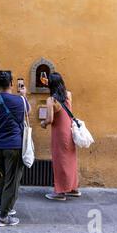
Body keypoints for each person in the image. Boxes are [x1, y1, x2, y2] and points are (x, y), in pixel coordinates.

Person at [0, 71, 29, 227]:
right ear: (12, 83)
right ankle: (3, 216)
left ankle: (2, 206)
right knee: (12, 180)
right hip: (14, 146)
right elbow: (26, 113)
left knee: (2, 178)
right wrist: (24, 94)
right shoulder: (20, 101)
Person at [40, 72, 81, 201]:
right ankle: (73, 188)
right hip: (69, 131)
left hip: (59, 134)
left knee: (60, 161)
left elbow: (50, 119)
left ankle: (60, 192)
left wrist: (43, 123)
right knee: (70, 160)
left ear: (50, 84)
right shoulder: (68, 95)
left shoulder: (51, 100)